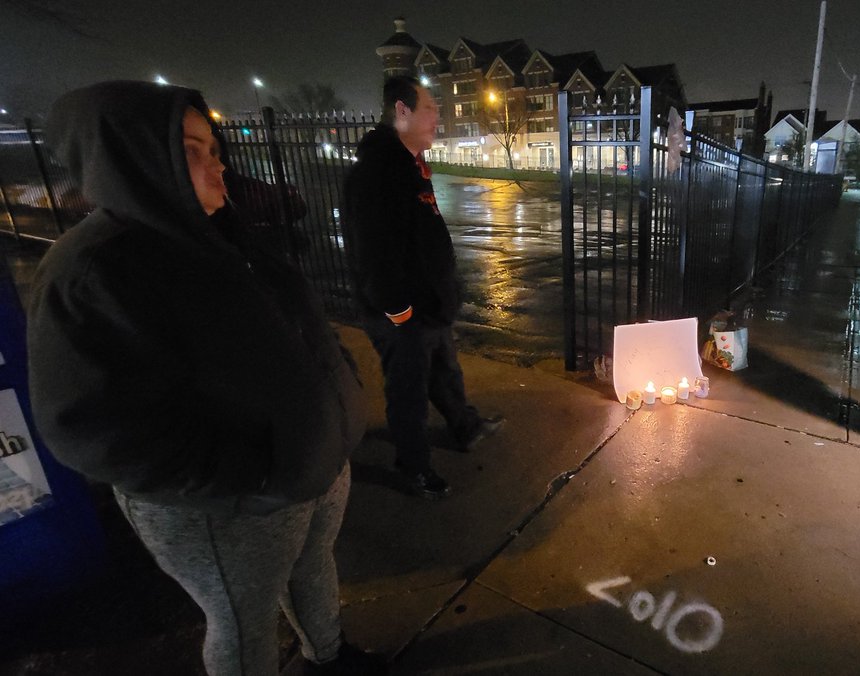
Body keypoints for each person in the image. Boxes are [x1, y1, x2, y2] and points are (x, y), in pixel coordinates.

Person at [27, 81, 384, 676]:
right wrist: (250, 473)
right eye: (192, 147)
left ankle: (330, 657)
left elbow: (303, 329)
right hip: (232, 506)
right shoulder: (94, 270)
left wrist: (339, 399)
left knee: (313, 567)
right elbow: (94, 427)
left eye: (214, 145)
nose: (217, 159)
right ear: (137, 158)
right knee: (245, 625)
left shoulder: (224, 233)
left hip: (311, 468)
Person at [342, 76, 504, 500]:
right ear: (402, 111)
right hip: (402, 312)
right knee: (408, 389)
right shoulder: (379, 172)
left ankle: (465, 428)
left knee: (445, 371)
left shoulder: (409, 165)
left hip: (427, 306)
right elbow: (374, 252)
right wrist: (400, 312)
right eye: (430, 108)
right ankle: (413, 466)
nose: (438, 116)